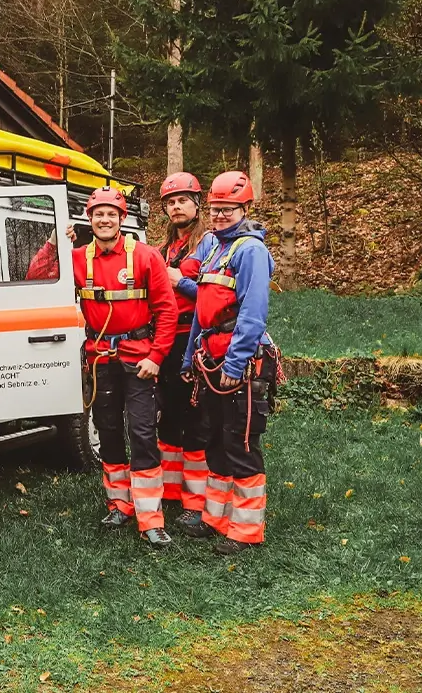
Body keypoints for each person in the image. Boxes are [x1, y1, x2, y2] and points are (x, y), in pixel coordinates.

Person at [180, 171, 281, 555]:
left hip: (239, 362)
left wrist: (234, 367)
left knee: (240, 443)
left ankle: (246, 529)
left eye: (227, 209)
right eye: (215, 209)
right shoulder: (215, 248)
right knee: (214, 441)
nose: (219, 215)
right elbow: (201, 313)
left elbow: (252, 316)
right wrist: (191, 356)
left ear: (245, 208)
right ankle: (216, 516)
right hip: (210, 356)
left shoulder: (249, 251)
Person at [73, 187, 178, 547]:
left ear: (122, 219)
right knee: (108, 430)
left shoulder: (146, 256)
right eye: (98, 214)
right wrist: (51, 244)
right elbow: (38, 275)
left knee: (143, 433)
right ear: (90, 219)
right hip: (101, 358)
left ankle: (151, 518)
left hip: (139, 359)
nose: (104, 220)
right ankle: (119, 503)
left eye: (111, 214)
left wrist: (156, 356)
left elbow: (167, 310)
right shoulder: (77, 257)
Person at [154, 172, 216, 532]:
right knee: (169, 417)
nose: (176, 207)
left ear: (196, 203)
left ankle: (196, 502)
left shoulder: (208, 244)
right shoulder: (162, 249)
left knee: (196, 420)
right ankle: (170, 492)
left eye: (182, 200)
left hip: (193, 339)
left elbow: (215, 295)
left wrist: (182, 281)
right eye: (171, 202)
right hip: (164, 340)